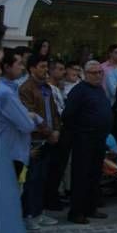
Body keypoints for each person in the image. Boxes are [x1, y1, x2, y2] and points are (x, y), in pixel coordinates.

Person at [0, 50, 34, 233]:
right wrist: (33, 117)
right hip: (12, 155)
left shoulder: (8, 89)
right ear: (5, 66)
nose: (21, 67)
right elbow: (26, 124)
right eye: (18, 63)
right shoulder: (4, 93)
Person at [63, 61, 111, 224]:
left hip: (99, 139)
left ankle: (91, 208)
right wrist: (81, 132)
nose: (98, 75)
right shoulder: (79, 91)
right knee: (81, 176)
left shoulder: (99, 89)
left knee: (94, 176)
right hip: (84, 140)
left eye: (100, 72)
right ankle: (76, 212)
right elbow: (68, 116)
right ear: (85, 74)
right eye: (94, 73)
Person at [19, 54, 60, 229]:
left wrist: (57, 130)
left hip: (49, 138)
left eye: (46, 67)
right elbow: (30, 116)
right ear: (32, 68)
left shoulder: (47, 88)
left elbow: (54, 111)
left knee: (43, 178)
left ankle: (39, 212)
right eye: (42, 66)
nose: (45, 70)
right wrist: (48, 132)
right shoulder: (26, 89)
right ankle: (29, 214)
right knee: (32, 179)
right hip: (36, 140)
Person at [44, 58, 70, 211]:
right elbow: (57, 112)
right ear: (51, 70)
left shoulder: (59, 88)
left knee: (59, 167)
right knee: (54, 168)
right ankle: (49, 199)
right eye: (59, 69)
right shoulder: (49, 89)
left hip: (62, 130)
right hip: (55, 131)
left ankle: (53, 196)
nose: (63, 72)